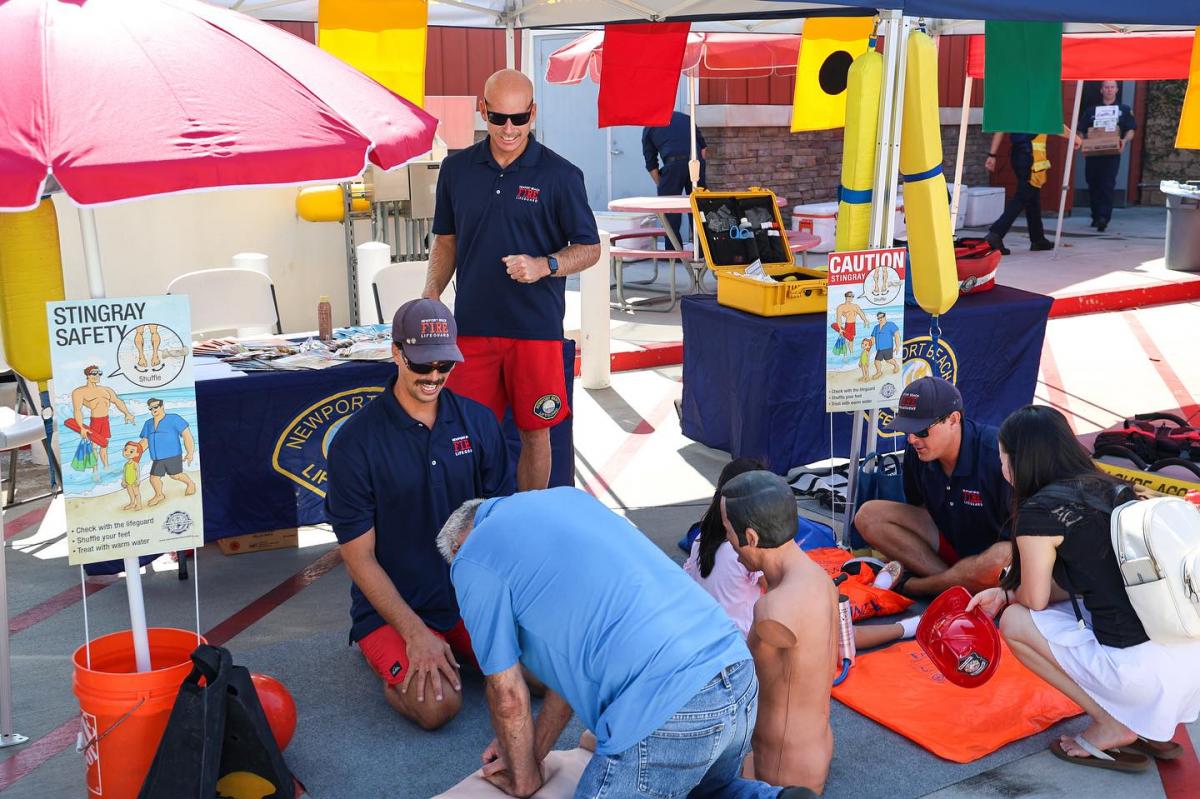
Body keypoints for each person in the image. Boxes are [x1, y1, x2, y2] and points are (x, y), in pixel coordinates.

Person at [438, 488, 816, 799]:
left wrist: (523, 781)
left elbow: (506, 694)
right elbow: (568, 676)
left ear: (459, 545)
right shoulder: (564, 500)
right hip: (734, 672)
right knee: (711, 792)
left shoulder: (471, 558)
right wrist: (529, 754)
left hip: (670, 707)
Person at [968, 405, 1200, 772]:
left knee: (1013, 621)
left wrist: (1006, 596)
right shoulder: (1111, 487)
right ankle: (1149, 724)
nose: (1001, 468)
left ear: (1021, 460)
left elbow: (1036, 599)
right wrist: (1006, 591)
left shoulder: (1039, 512)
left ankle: (1111, 722)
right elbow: (1086, 578)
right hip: (1186, 658)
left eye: (1003, 459)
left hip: (1139, 675)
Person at [324, 298, 514, 731]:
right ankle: (399, 657)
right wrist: (413, 632)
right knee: (437, 707)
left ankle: (460, 652)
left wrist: (510, 607)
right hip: (396, 607)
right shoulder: (355, 443)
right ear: (396, 353)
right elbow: (358, 558)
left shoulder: (479, 423)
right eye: (422, 365)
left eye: (444, 365)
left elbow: (500, 529)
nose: (433, 377)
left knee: (543, 674)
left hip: (466, 599)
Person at [424, 69, 601, 494]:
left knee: (535, 432)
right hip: (472, 329)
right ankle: (472, 525)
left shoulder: (560, 175)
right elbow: (446, 240)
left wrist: (545, 266)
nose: (508, 129)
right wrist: (431, 293)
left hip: (535, 331)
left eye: (519, 119)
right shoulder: (456, 169)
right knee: (465, 437)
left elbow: (589, 248)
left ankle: (530, 522)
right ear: (482, 109)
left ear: (533, 114)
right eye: (499, 117)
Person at [718, 471, 838, 793]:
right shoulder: (818, 578)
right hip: (814, 746)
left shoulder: (774, 609)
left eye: (728, 532)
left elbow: (738, 685)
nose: (728, 543)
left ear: (752, 538)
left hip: (782, 768)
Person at [854, 377, 1012, 596]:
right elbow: (918, 508)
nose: (911, 439)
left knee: (1002, 555)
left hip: (994, 557)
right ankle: (953, 585)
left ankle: (916, 587)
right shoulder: (917, 452)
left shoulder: (998, 454)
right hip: (950, 546)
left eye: (920, 430)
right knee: (867, 515)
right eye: (906, 430)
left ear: (954, 419)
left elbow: (1023, 540)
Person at [684, 458, 768, 637]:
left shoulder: (701, 537)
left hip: (703, 634)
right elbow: (778, 586)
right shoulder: (747, 547)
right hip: (739, 644)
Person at [984, 124, 1077, 254]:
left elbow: (1000, 128)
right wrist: (1076, 138)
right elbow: (1054, 124)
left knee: (1032, 195)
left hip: (1018, 154)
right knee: (1023, 195)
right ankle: (996, 234)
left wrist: (992, 155)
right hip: (1031, 156)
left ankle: (1038, 239)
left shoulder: (1013, 104)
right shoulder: (1038, 103)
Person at [642, 110, 707, 245]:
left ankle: (674, 255)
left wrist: (662, 186)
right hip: (695, 162)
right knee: (699, 207)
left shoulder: (649, 127)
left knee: (670, 211)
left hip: (672, 165)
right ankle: (702, 252)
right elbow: (703, 149)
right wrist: (699, 168)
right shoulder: (686, 118)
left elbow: (651, 165)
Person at [1080, 81, 1136, 232]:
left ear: (1117, 90)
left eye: (1112, 87)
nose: (1109, 90)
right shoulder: (1091, 110)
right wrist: (1082, 143)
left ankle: (1104, 218)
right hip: (1092, 154)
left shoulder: (1124, 110)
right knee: (1093, 183)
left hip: (1112, 154)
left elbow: (1131, 129)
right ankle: (1096, 215)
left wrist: (1124, 140)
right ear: (1101, 90)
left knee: (1107, 184)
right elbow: (1081, 130)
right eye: (1106, 87)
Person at [66, 365, 135, 475]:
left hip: (105, 421)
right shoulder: (79, 392)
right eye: (94, 373)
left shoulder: (106, 390)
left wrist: (127, 413)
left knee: (104, 446)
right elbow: (78, 410)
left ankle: (107, 468)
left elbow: (117, 401)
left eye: (99, 373)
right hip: (95, 422)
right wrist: (81, 427)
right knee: (94, 447)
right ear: (87, 375)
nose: (97, 375)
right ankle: (95, 470)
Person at [137, 397, 196, 506]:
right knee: (154, 478)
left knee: (176, 475)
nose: (153, 409)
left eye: (156, 407)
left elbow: (187, 435)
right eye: (151, 408)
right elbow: (145, 441)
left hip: (172, 455)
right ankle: (159, 495)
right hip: (157, 457)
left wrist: (190, 452)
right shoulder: (148, 423)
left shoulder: (174, 419)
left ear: (162, 406)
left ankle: (190, 483)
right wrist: (135, 454)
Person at [869, 311, 900, 378]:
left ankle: (896, 365)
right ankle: (879, 372)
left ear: (885, 317)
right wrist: (868, 347)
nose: (880, 319)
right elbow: (873, 338)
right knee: (876, 361)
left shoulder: (890, 324)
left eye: (882, 317)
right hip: (879, 348)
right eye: (878, 318)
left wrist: (897, 346)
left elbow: (897, 335)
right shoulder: (876, 327)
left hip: (888, 347)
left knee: (888, 360)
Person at [119, 441, 144, 511]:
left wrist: (138, 480)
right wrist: (123, 481)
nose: (127, 452)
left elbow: (138, 473)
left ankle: (139, 504)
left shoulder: (135, 464)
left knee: (136, 493)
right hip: (128, 482)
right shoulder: (126, 465)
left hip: (134, 481)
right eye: (126, 450)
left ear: (137, 454)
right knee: (130, 493)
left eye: (131, 451)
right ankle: (132, 503)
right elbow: (124, 473)